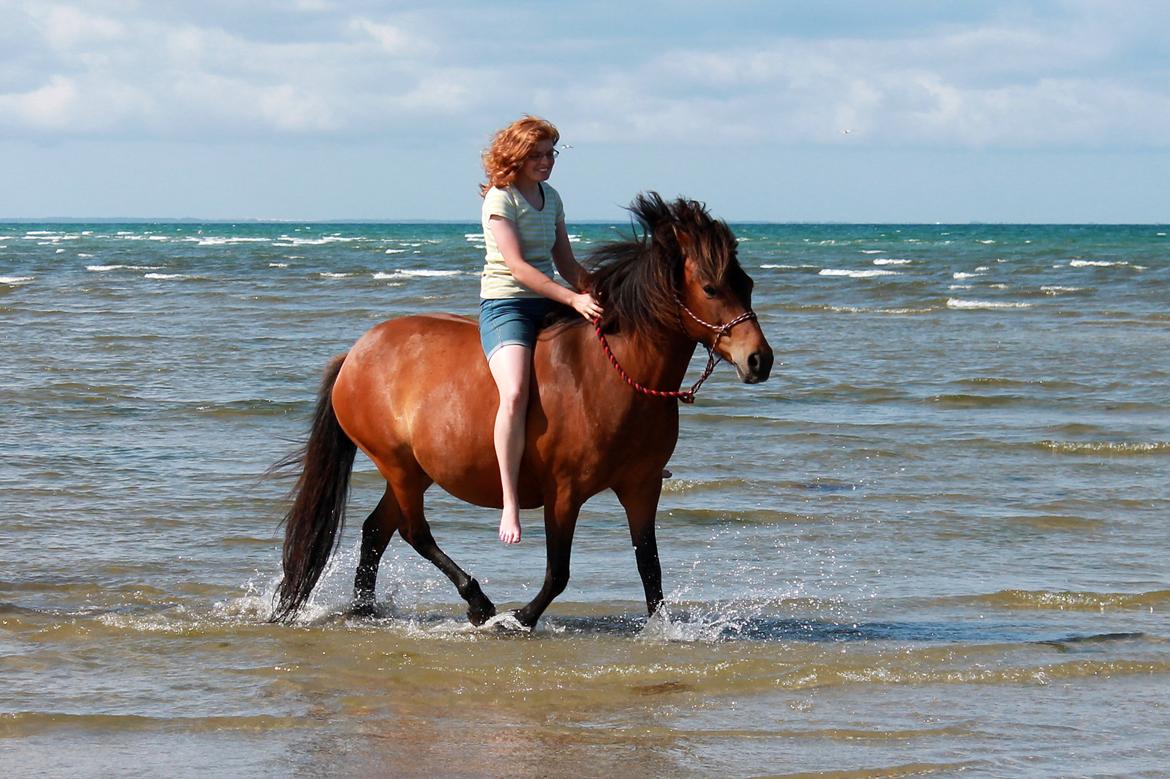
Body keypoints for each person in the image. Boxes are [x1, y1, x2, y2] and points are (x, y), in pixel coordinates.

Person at [478, 116, 602, 544]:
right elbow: (518, 268)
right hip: (507, 304)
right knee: (514, 393)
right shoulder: (500, 198)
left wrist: (599, 290)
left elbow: (565, 265)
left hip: (548, 300)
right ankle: (510, 501)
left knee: (609, 353)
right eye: (538, 154)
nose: (547, 161)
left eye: (551, 153)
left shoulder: (552, 197)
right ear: (516, 155)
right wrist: (571, 299)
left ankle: (630, 456)